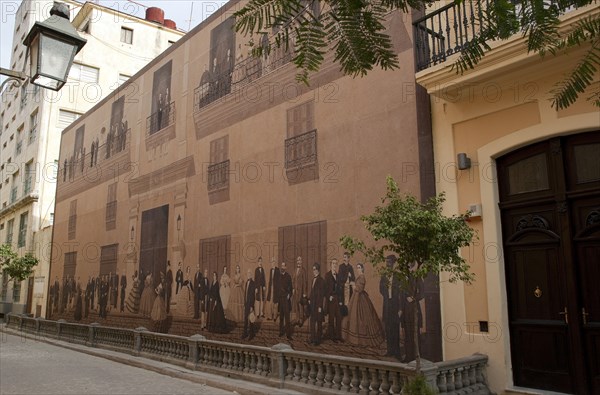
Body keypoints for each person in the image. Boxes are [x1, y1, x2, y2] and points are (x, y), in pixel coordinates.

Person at [342, 263, 385, 347]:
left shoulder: (362, 277)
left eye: (359, 268)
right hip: (356, 298)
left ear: (362, 269)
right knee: (352, 317)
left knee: (361, 318)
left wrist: (353, 284)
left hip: (360, 298)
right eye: (357, 268)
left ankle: (361, 340)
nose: (358, 269)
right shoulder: (359, 277)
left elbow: (359, 289)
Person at [400, 267, 426, 363]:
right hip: (405, 309)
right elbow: (401, 294)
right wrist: (400, 308)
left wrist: (413, 298)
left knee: (415, 333)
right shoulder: (402, 277)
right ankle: (408, 356)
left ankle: (417, 357)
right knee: (407, 333)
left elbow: (422, 293)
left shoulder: (417, 276)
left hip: (414, 308)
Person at [379, 255, 401, 359]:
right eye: (386, 262)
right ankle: (389, 350)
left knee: (395, 328)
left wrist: (400, 308)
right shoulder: (383, 276)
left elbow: (401, 292)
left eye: (389, 262)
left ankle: (397, 352)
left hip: (395, 305)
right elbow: (381, 289)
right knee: (388, 328)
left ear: (393, 264)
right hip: (387, 304)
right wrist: (387, 295)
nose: (388, 264)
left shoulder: (398, 276)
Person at [324, 258, 343, 342]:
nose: (334, 265)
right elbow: (325, 289)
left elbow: (340, 289)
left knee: (339, 318)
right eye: (333, 263)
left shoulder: (338, 276)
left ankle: (338, 336)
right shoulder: (327, 275)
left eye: (336, 264)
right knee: (331, 318)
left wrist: (341, 300)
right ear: (330, 265)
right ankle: (332, 337)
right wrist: (328, 296)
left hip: (337, 299)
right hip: (331, 299)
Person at [308, 263, 325, 345]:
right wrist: (309, 300)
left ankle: (318, 340)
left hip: (318, 305)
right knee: (312, 322)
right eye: (313, 269)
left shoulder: (321, 280)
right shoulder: (313, 280)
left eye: (315, 269)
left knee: (319, 323)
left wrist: (320, 306)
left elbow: (321, 295)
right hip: (312, 305)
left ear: (318, 270)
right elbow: (312, 292)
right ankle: (312, 339)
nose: (313, 271)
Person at [277, 261, 293, 340]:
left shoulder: (288, 276)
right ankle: (281, 332)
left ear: (286, 267)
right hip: (281, 299)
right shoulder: (279, 276)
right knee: (281, 317)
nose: (282, 267)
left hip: (286, 300)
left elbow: (291, 287)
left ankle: (288, 334)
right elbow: (277, 288)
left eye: (284, 266)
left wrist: (289, 295)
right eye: (281, 266)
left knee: (287, 318)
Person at [242, 269, 257, 340]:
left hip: (250, 304)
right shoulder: (246, 283)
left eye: (249, 274)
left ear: (251, 275)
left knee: (251, 320)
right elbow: (245, 295)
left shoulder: (253, 283)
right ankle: (244, 334)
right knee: (245, 319)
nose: (248, 275)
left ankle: (251, 335)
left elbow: (253, 296)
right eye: (247, 274)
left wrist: (251, 306)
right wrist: (245, 304)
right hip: (246, 304)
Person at [292, 256, 307, 326]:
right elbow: (293, 280)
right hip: (295, 291)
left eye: (300, 260)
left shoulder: (303, 270)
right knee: (296, 305)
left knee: (300, 305)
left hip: (301, 292)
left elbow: (305, 282)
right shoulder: (295, 270)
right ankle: (297, 319)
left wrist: (304, 293)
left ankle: (301, 320)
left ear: (301, 261)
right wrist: (293, 289)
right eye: (297, 260)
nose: (298, 261)